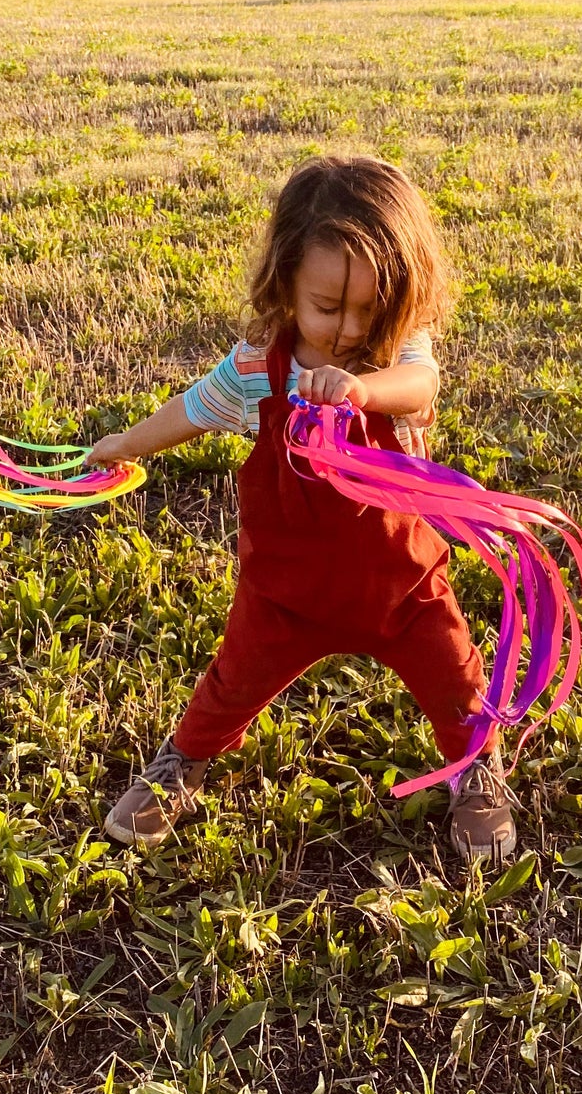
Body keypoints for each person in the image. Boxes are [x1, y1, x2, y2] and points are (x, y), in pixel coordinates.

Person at [86, 155, 515, 861]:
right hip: (285, 588)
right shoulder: (259, 365)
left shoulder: (396, 354)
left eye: (368, 308)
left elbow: (418, 381)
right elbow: (194, 407)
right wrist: (126, 442)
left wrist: (358, 390)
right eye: (326, 306)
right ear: (285, 282)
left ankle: (475, 768)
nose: (347, 327)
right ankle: (180, 761)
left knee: (456, 682)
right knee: (231, 681)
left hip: (399, 584)